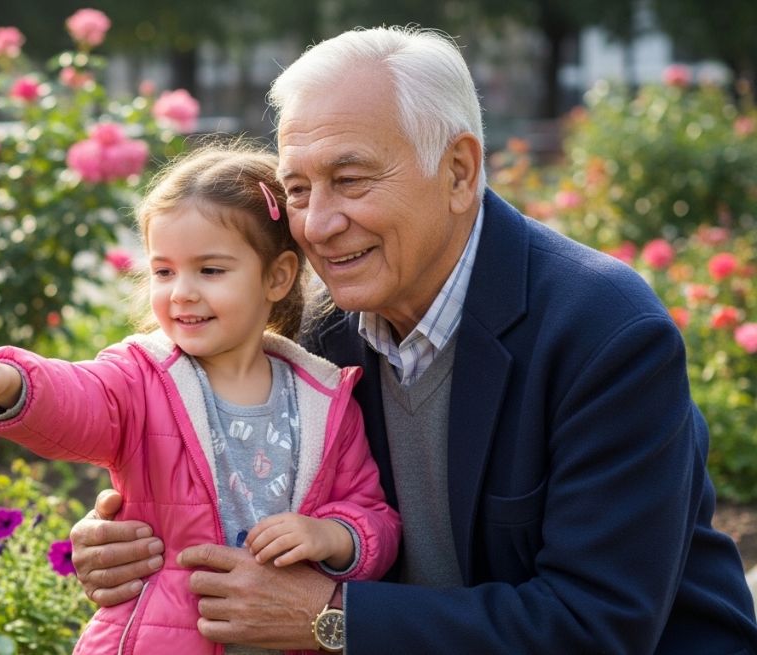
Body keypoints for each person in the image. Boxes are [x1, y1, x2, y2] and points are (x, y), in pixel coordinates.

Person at [67, 26, 757, 654]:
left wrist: (331, 617)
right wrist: (138, 540)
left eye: (350, 180)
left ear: (458, 171)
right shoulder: (315, 334)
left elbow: (595, 627)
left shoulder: (604, 333)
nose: (318, 225)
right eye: (299, 189)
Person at [0, 145, 401, 654]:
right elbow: (78, 400)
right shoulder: (140, 377)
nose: (181, 292)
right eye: (164, 271)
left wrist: (332, 536)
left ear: (277, 276)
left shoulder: (324, 398)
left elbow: (373, 515)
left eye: (210, 270)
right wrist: (11, 383)